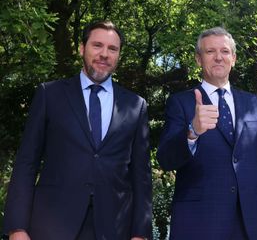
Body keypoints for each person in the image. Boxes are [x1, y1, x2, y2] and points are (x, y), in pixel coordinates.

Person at [2, 21, 152, 240]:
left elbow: (142, 176)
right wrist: (17, 228)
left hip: (114, 228)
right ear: (82, 48)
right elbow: (26, 162)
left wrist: (141, 233)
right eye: (97, 45)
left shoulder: (136, 105)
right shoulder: (49, 95)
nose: (104, 54)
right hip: (51, 225)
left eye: (112, 49)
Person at [156, 27, 257, 240]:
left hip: (253, 225)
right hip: (200, 225)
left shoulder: (254, 104)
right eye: (210, 52)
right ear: (198, 59)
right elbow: (165, 159)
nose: (219, 57)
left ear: (234, 58)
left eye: (225, 52)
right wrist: (192, 132)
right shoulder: (180, 103)